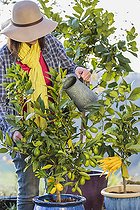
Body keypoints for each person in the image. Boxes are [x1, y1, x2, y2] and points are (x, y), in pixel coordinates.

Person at [0, 1, 91, 210]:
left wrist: (79, 70)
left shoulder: (50, 43)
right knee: (29, 189)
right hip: (23, 132)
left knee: (59, 185)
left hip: (54, 126)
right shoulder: (4, 57)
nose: (33, 36)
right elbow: (1, 102)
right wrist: (12, 130)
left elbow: (68, 69)